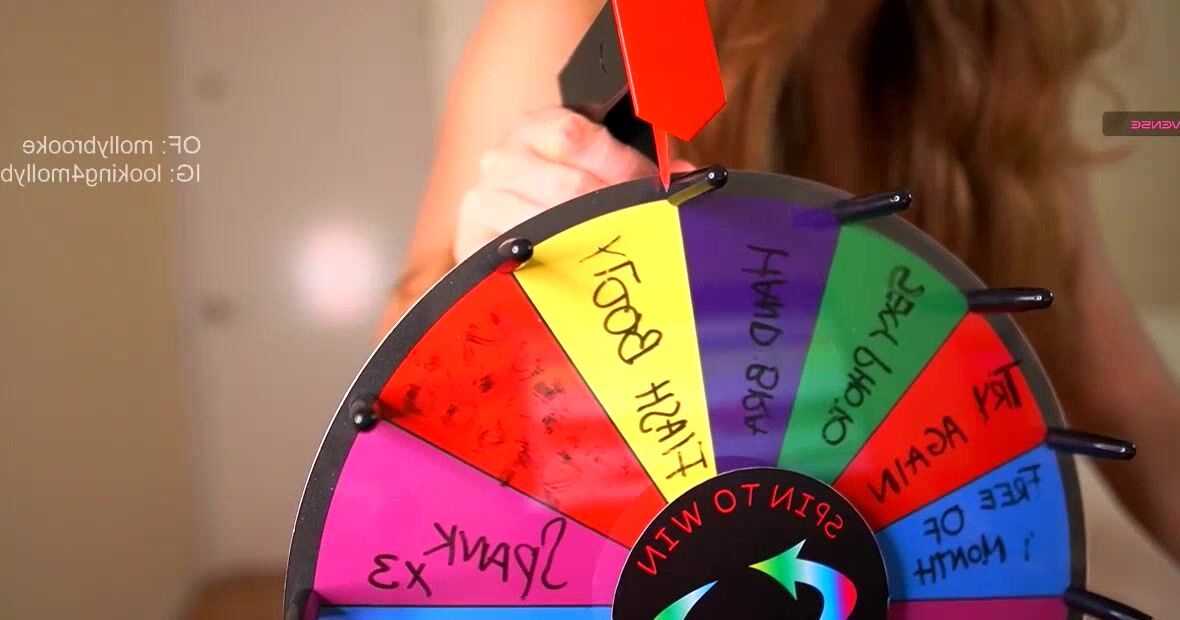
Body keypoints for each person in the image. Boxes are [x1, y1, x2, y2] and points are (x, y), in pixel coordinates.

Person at [381, 0, 1180, 566]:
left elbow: (1127, 398)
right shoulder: (585, 17)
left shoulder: (990, 60)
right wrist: (489, 289)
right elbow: (390, 397)